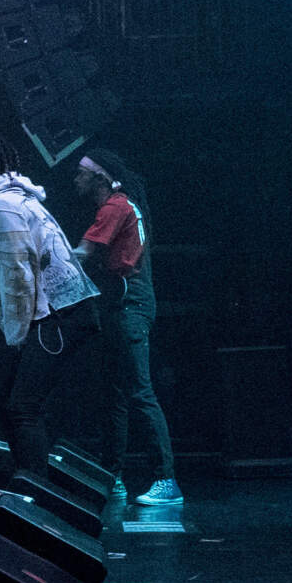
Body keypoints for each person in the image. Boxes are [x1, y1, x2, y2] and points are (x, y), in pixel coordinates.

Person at [0, 134, 100, 478]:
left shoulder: (2, 205)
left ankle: (36, 493)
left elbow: (18, 274)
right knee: (8, 404)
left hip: (58, 313)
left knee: (22, 407)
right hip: (59, 311)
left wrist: (17, 335)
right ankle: (31, 479)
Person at [72, 148, 182, 506]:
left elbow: (82, 254)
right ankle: (112, 477)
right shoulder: (121, 205)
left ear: (99, 177)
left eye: (81, 173)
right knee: (115, 395)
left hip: (128, 304)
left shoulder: (115, 207)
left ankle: (167, 480)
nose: (75, 178)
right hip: (123, 303)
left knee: (138, 392)